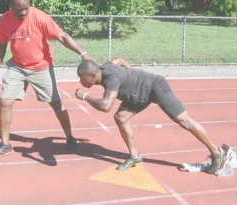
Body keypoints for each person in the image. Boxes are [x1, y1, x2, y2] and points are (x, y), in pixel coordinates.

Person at [0, 0, 94, 160]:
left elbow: (62, 36)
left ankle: (69, 137)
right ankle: (5, 144)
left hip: (41, 66)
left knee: (56, 104)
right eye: (19, 9)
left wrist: (83, 54)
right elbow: (1, 44)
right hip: (17, 67)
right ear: (11, 7)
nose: (23, 12)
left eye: (26, 8)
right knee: (4, 102)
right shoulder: (5, 20)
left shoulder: (39, 17)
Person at [75, 58, 225, 174]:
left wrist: (85, 96)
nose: (81, 81)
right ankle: (135, 156)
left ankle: (217, 153)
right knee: (120, 117)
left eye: (82, 78)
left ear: (93, 76)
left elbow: (105, 106)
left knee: (184, 121)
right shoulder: (105, 66)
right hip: (138, 96)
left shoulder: (111, 78)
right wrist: (133, 75)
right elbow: (119, 60)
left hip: (155, 87)